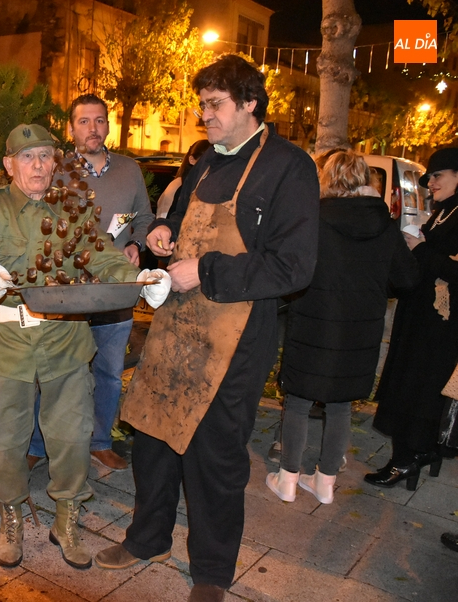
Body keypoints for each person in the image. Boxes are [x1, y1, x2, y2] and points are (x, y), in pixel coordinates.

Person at [94, 55, 319, 602]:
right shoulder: (209, 161)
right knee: (151, 439)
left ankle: (213, 573)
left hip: (236, 337)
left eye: (214, 105)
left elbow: (294, 267)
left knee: (214, 459)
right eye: (201, 105)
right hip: (176, 326)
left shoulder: (289, 166)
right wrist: (165, 232)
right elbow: (180, 220)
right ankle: (148, 539)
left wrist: (208, 270)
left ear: (249, 103)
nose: (204, 116)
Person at [0, 123, 171, 570]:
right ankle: (10, 516)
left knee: (72, 437)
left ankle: (65, 521)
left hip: (65, 341)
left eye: (46, 156)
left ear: (56, 161)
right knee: (7, 442)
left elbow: (104, 256)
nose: (39, 165)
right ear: (9, 164)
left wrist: (140, 278)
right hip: (7, 342)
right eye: (28, 157)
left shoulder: (72, 207)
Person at [265, 150, 418, 505]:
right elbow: (407, 278)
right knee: (340, 405)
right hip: (360, 330)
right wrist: (376, 287)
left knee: (299, 400)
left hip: (313, 322)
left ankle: (287, 480)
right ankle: (325, 483)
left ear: (327, 178)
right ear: (366, 181)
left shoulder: (313, 218)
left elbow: (291, 272)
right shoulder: (384, 223)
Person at [27, 94, 153, 471]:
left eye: (99, 120)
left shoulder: (130, 170)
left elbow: (144, 217)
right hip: (68, 295)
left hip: (116, 293)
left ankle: (99, 441)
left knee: (110, 373)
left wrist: (135, 243)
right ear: (71, 128)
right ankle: (37, 444)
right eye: (84, 121)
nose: (92, 128)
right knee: (53, 372)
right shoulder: (56, 170)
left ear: (108, 126)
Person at [365, 147, 458, 491]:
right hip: (421, 316)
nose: (430, 183)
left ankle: (408, 458)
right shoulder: (443, 211)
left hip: (440, 324)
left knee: (419, 388)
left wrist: (420, 249)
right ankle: (415, 454)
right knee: (411, 385)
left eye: (438, 176)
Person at [154, 139, 211, 218]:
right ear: (192, 160)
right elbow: (164, 219)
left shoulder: (209, 186)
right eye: (206, 162)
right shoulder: (177, 187)